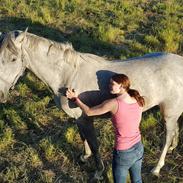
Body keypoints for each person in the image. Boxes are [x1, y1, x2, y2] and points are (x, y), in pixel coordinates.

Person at [66, 73, 145, 183]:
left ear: (121, 86)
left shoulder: (113, 103)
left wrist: (75, 99)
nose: (108, 86)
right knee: (137, 180)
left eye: (112, 84)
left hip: (123, 152)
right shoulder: (138, 99)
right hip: (138, 146)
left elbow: (89, 112)